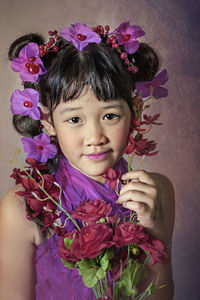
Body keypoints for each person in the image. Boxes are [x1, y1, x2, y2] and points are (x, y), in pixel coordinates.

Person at [0, 22, 175, 300]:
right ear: (47, 122)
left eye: (110, 116)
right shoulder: (23, 207)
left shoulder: (156, 192)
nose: (94, 137)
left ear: (135, 113)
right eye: (74, 119)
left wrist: (155, 233)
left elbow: (159, 296)